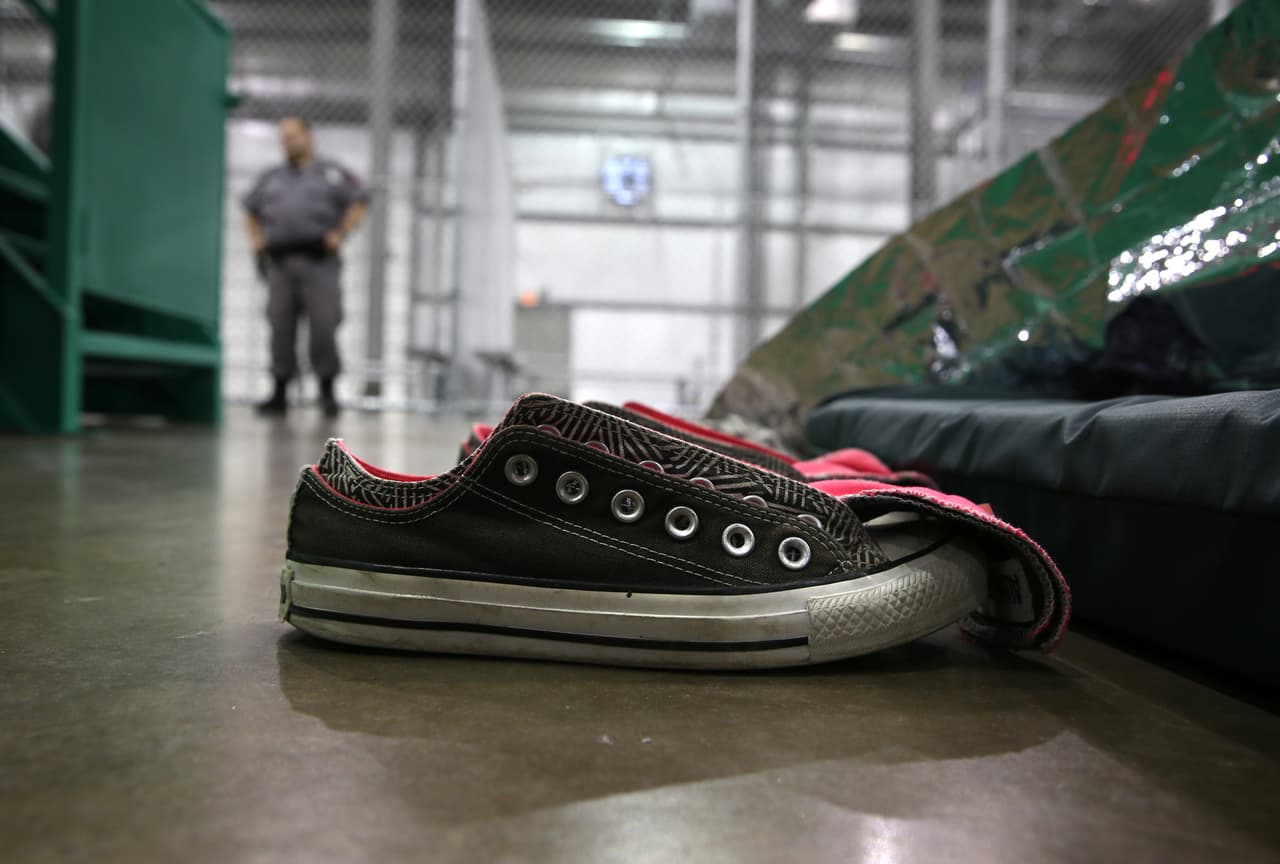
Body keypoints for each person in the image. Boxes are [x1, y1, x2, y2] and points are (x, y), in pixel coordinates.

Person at [243, 116, 368, 417]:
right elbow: (250, 209)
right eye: (283, 137)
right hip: (281, 264)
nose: (288, 142)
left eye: (293, 135)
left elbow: (360, 200)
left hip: (319, 263)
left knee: (324, 326)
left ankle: (327, 392)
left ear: (309, 136)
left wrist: (341, 233)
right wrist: (257, 243)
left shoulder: (331, 174)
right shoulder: (270, 177)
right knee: (279, 326)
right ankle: (279, 392)